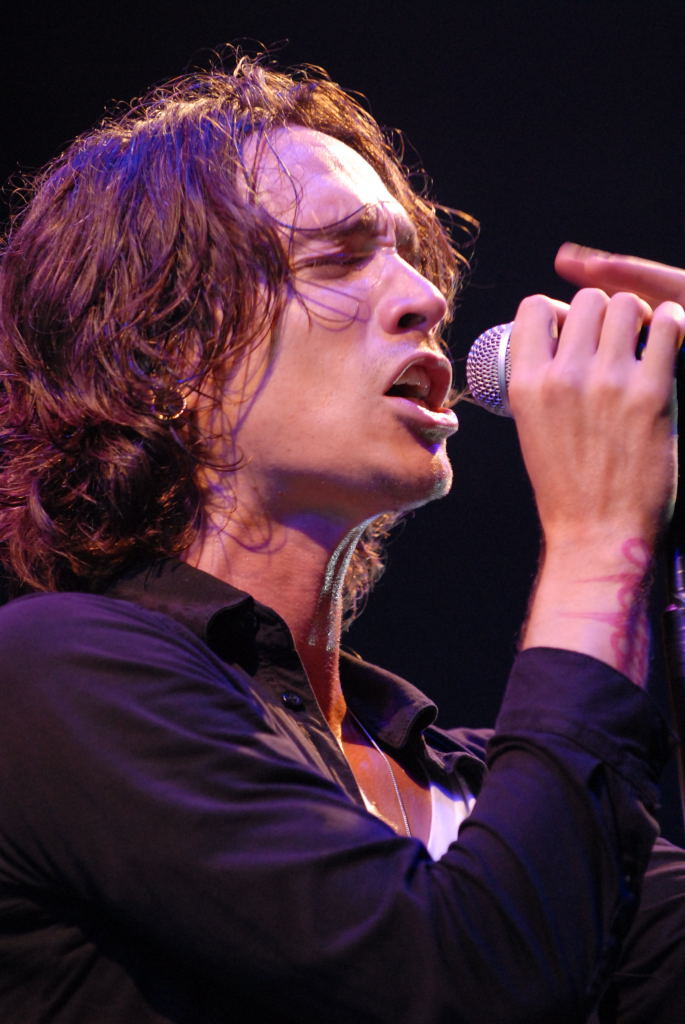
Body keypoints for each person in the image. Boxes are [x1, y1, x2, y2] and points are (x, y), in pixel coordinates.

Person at [0, 55, 683, 1023]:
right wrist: (597, 539)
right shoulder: (51, 677)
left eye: (410, 258)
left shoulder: (479, 782)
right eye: (337, 257)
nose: (427, 300)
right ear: (167, 354)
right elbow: (461, 984)